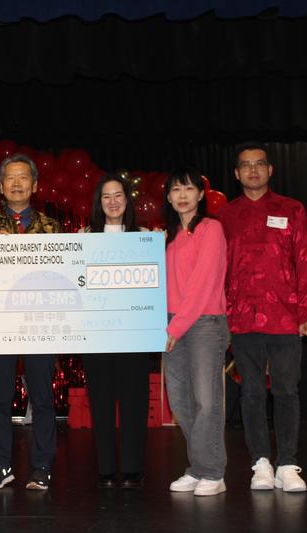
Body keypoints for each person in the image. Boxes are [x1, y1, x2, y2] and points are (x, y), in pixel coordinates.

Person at [217, 141, 307, 493]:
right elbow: (219, 272)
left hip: (285, 317)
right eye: (245, 165)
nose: (253, 170)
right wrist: (222, 317)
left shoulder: (292, 210)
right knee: (250, 394)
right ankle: (260, 462)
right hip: (242, 319)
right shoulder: (226, 217)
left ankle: (288, 463)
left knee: (287, 391)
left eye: (259, 164)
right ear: (236, 173)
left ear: (270, 170)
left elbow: (306, 262)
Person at [0, 153, 61, 491]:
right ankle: (0, 466)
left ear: (35, 185)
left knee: (41, 396)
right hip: (1, 323)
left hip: (40, 321)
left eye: (23, 177)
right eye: (9, 178)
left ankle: (42, 466)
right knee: (0, 397)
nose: (16, 183)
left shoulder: (53, 228)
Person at [79, 175, 151, 489]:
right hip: (97, 335)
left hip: (134, 334)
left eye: (118, 195)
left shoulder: (146, 236)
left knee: (135, 403)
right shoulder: (84, 237)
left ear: (127, 200)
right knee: (102, 403)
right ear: (99, 203)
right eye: (106, 196)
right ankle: (106, 469)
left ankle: (133, 468)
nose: (112, 202)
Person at [162, 166, 229, 497]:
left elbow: (203, 284)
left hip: (204, 322)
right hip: (174, 323)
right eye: (176, 189)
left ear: (201, 194)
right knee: (180, 401)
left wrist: (176, 325)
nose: (182, 195)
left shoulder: (211, 229)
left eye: (189, 189)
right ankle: (198, 466)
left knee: (206, 400)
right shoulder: (169, 236)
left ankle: (213, 472)